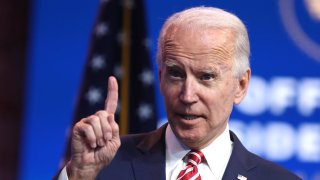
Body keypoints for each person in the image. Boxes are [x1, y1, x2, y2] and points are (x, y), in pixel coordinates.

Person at [56, 6, 301, 180]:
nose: (187, 95)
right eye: (176, 73)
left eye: (206, 77)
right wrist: (80, 176)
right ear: (160, 78)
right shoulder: (103, 166)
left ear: (241, 85)